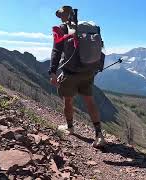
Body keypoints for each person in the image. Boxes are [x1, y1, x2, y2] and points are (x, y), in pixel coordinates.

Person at [48, 6, 106, 148]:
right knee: (90, 101)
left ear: (64, 15)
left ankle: (70, 127)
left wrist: (53, 71)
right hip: (89, 70)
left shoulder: (62, 28)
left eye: (60, 15)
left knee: (68, 100)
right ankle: (99, 135)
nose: (60, 17)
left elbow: (56, 51)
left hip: (71, 72)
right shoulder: (88, 28)